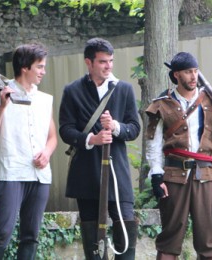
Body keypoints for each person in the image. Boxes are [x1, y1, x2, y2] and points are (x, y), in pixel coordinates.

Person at [145, 52, 212, 260]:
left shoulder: (211, 101)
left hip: (206, 175)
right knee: (170, 238)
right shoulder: (162, 104)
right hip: (174, 175)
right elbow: (154, 142)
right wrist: (157, 175)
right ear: (176, 74)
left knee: (208, 240)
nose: (193, 76)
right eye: (188, 72)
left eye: (195, 71)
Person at [59, 37, 140, 260]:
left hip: (117, 173)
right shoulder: (72, 90)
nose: (108, 66)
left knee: (126, 225)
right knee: (92, 235)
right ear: (89, 62)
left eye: (111, 61)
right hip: (85, 173)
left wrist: (115, 127)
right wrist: (91, 139)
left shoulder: (123, 89)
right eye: (103, 61)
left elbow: (134, 128)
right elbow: (65, 130)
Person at [0, 42, 57, 260]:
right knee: (2, 232)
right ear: (25, 67)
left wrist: (47, 153)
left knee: (31, 235)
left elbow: (52, 137)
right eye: (40, 67)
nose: (43, 71)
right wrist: (4, 106)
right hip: (12, 173)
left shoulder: (45, 99)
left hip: (40, 175)